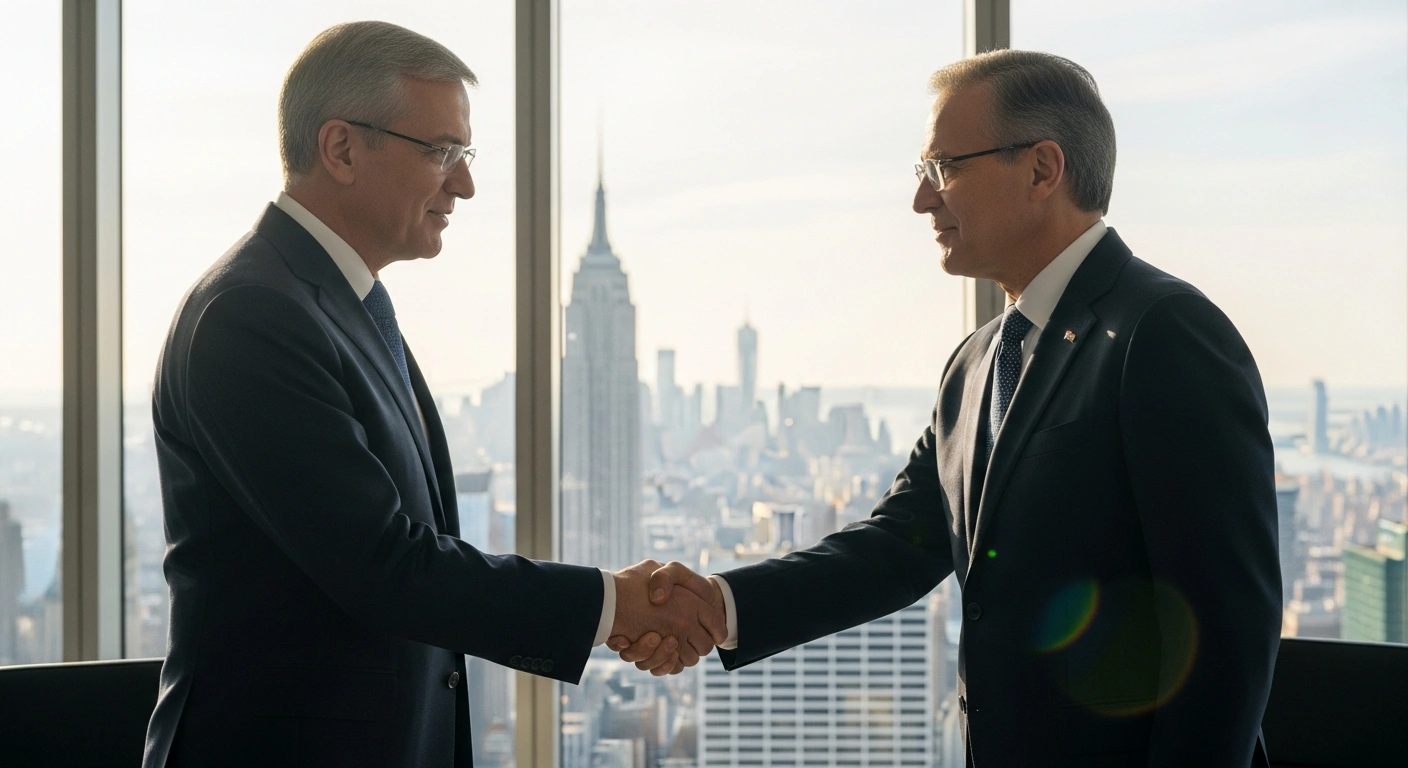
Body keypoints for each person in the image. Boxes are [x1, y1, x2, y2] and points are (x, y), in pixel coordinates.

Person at [617, 49, 1281, 766]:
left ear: (1042, 169)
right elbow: (897, 547)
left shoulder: (1164, 332)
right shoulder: (974, 363)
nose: (922, 200)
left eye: (946, 168)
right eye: (921, 174)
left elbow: (1225, 634)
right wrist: (721, 605)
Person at [142, 22, 721, 768]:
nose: (465, 183)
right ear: (342, 147)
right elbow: (384, 565)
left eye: (464, 154)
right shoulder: (251, 317)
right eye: (441, 152)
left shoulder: (343, 305)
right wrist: (612, 605)